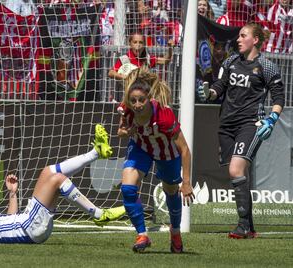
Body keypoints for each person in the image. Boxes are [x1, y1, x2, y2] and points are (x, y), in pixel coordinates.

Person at [0, 125, 126, 244]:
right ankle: (99, 215)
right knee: (57, 179)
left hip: (27, 222)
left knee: (48, 172)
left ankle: (95, 152)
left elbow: (11, 218)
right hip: (29, 227)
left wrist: (12, 193)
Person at [198, 23, 285, 238]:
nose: (238, 39)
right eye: (238, 36)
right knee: (239, 173)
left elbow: (279, 97)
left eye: (243, 35)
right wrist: (209, 93)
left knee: (236, 170)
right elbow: (220, 86)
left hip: (251, 124)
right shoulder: (230, 62)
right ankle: (250, 228)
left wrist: (271, 119)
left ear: (255, 40)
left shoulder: (267, 66)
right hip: (226, 125)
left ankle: (242, 226)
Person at [116, 67, 195, 253]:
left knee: (170, 191)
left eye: (141, 100)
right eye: (133, 100)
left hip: (166, 152)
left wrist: (187, 182)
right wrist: (125, 132)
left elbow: (184, 149)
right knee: (127, 188)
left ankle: (175, 232)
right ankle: (142, 235)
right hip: (140, 147)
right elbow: (121, 131)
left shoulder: (164, 116)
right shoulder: (126, 109)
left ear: (149, 98)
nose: (136, 104)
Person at [108, 32, 174, 81]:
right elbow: (111, 73)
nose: (138, 45)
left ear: (144, 44)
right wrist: (124, 76)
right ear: (130, 43)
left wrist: (170, 48)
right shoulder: (125, 59)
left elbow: (166, 60)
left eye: (141, 42)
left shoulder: (147, 59)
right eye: (135, 42)